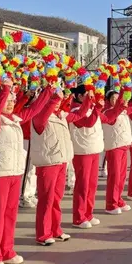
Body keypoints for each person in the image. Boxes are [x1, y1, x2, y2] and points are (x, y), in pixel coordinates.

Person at [0, 81, 52, 264]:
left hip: (14, 172)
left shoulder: (14, 119)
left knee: (10, 214)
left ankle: (7, 250)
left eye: (13, 100)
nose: (11, 103)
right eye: (7, 100)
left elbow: (35, 109)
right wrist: (4, 89)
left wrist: (48, 90)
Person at [30, 87, 88, 245]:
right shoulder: (39, 117)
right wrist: (54, 97)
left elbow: (80, 115)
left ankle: (56, 229)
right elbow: (43, 115)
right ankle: (43, 234)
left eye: (57, 100)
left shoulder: (61, 115)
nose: (56, 103)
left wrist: (89, 99)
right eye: (51, 100)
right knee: (46, 199)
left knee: (56, 198)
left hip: (62, 161)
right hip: (48, 162)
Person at [69, 85, 109, 229]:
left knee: (92, 185)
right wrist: (96, 108)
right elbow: (88, 122)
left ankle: (88, 213)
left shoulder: (91, 108)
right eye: (88, 95)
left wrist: (121, 106)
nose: (91, 97)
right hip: (82, 151)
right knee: (83, 185)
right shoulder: (74, 110)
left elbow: (107, 119)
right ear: (80, 96)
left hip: (94, 149)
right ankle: (79, 217)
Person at [102, 90, 132, 215]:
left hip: (124, 145)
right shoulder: (108, 112)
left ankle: (118, 199)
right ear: (108, 100)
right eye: (113, 98)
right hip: (114, 147)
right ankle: (111, 204)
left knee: (122, 176)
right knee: (114, 176)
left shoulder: (123, 111)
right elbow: (114, 114)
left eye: (117, 98)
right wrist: (121, 102)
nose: (116, 100)